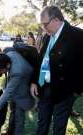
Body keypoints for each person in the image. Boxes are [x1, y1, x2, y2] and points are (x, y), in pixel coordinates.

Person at [30, 5, 83, 135]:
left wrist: (76, 90)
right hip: (44, 87)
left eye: (45, 24)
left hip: (64, 91)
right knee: (42, 123)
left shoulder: (77, 35)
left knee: (58, 128)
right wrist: (35, 81)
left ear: (56, 20)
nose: (43, 28)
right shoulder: (46, 36)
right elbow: (41, 60)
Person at [0, 51, 35, 135]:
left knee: (19, 116)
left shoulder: (17, 72)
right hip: (15, 88)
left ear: (7, 65)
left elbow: (7, 93)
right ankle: (10, 132)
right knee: (13, 111)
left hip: (23, 90)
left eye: (0, 70)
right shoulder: (9, 54)